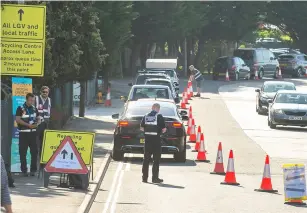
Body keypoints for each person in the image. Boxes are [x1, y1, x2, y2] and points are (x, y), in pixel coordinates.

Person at [140, 103, 167, 183]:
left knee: (146, 160)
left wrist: (147, 132)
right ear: (158, 109)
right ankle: (155, 178)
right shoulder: (159, 116)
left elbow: (141, 128)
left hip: (147, 141)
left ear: (152, 108)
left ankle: (144, 178)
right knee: (156, 160)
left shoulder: (145, 116)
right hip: (156, 141)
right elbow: (164, 129)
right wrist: (160, 132)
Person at [15, 93, 40, 177]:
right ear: (26, 99)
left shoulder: (34, 108)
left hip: (33, 133)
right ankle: (24, 171)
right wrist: (28, 125)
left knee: (34, 152)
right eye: (30, 100)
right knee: (23, 153)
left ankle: (33, 170)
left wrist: (38, 122)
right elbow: (18, 120)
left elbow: (38, 118)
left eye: (33, 100)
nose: (31, 102)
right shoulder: (20, 108)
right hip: (24, 133)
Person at [34, 86, 51, 154]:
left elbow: (49, 111)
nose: (45, 93)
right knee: (35, 140)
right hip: (37, 122)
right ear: (40, 92)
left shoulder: (49, 99)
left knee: (43, 140)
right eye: (43, 92)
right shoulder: (36, 98)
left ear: (48, 93)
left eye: (46, 92)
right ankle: (34, 155)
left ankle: (41, 156)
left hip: (45, 123)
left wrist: (48, 120)